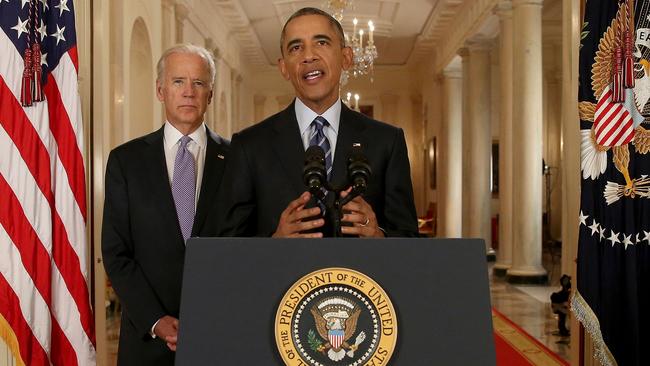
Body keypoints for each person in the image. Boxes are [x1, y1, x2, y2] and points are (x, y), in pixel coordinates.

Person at [217, 7, 417, 238]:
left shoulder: (387, 141)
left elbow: (409, 238)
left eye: (321, 43)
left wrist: (379, 237)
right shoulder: (248, 146)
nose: (308, 55)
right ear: (284, 67)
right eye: (296, 47)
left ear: (346, 58)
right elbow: (226, 247)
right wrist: (273, 244)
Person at [101, 44, 229, 365]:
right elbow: (117, 254)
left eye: (198, 83)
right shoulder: (125, 162)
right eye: (178, 82)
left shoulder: (239, 160)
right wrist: (156, 319)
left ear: (210, 94)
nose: (188, 92)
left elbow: (248, 246)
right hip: (146, 341)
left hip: (220, 336)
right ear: (160, 91)